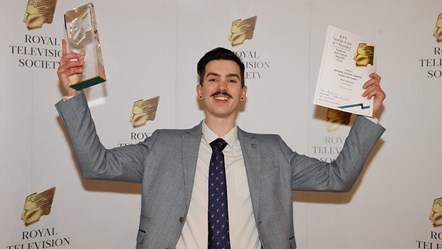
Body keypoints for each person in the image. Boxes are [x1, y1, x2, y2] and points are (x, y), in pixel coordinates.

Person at [56, 40, 386, 249]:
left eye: (232, 80)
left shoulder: (273, 152)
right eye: (212, 79)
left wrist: (367, 116)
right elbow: (96, 164)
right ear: (200, 91)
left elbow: (337, 178)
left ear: (243, 93)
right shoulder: (162, 146)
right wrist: (73, 94)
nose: (222, 86)